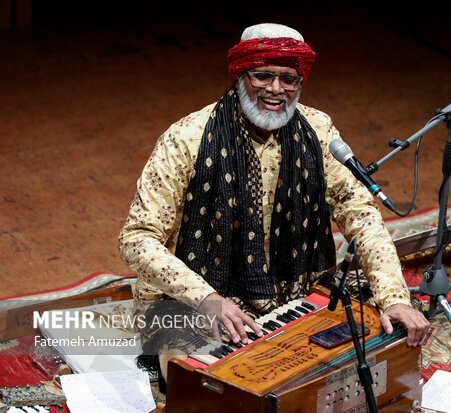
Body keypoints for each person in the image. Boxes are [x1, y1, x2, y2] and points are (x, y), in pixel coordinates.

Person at [118, 22, 429, 385]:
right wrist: (205, 297)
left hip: (293, 289)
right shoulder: (186, 139)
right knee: (195, 375)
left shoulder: (318, 129)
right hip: (202, 299)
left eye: (288, 79)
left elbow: (360, 212)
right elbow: (137, 238)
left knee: (385, 318)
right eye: (262, 76)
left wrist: (394, 297)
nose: (276, 90)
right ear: (240, 75)